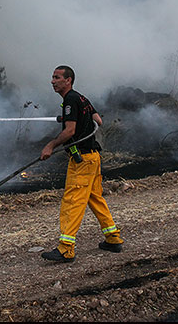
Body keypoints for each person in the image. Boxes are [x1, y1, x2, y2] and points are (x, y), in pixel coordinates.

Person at [40, 65, 123, 262]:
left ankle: (66, 249)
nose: (52, 81)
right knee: (95, 198)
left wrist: (50, 146)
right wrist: (72, 117)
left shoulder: (70, 99)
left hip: (82, 160)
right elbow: (98, 121)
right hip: (93, 158)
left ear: (68, 80)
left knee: (73, 201)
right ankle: (113, 238)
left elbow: (69, 132)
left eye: (57, 77)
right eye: (52, 77)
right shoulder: (81, 99)